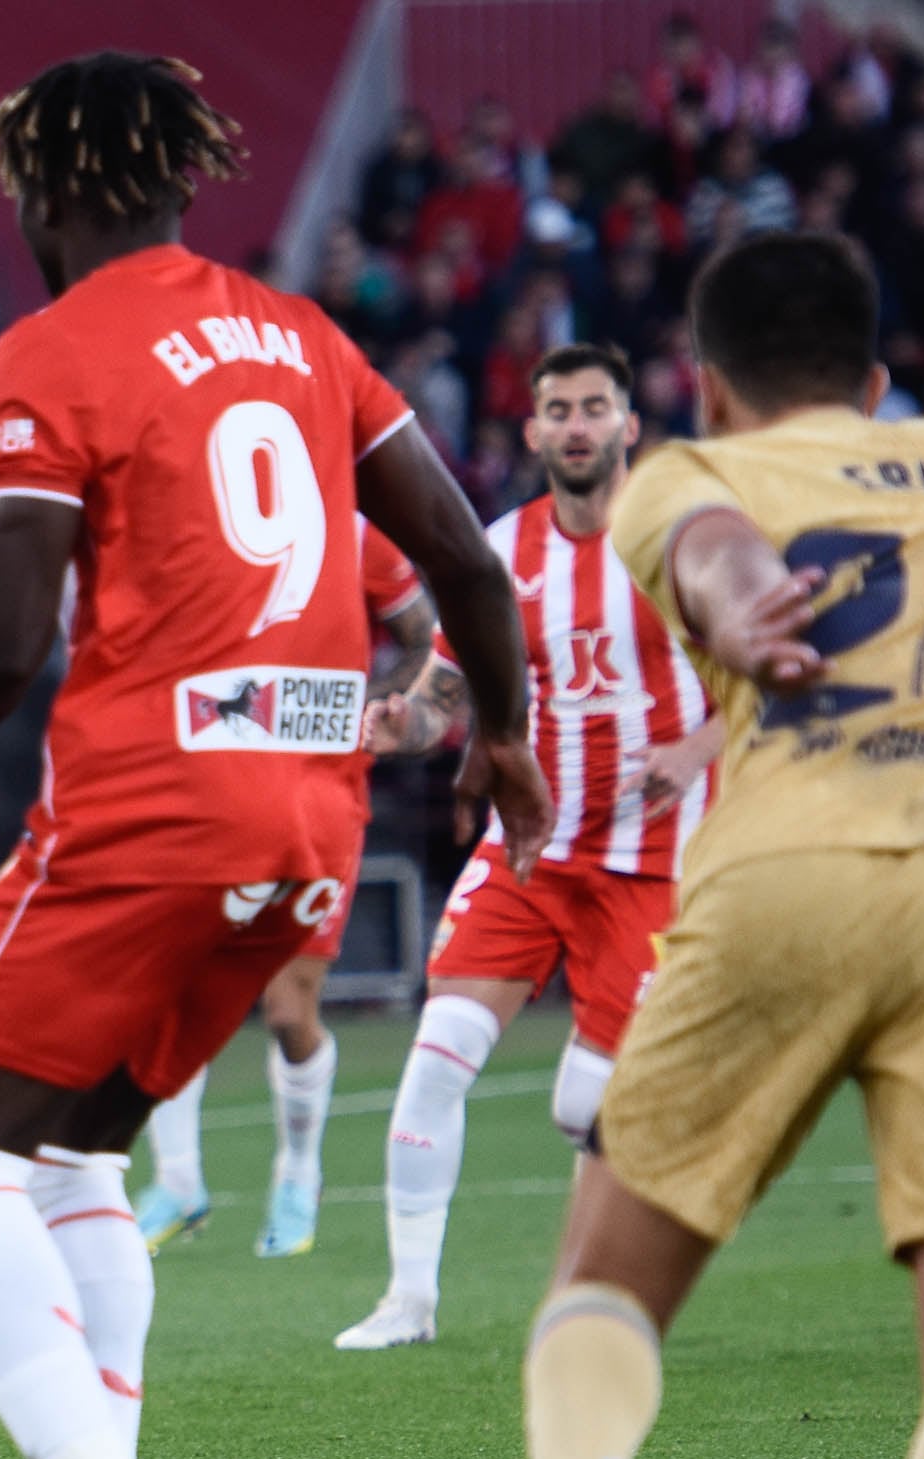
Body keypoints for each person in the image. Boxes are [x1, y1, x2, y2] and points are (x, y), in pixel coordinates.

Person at [0, 52, 546, 1459]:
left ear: (48, 189)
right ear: (177, 180)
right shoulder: (301, 337)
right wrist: (504, 734)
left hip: (149, 809)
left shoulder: (51, 347)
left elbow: (1, 647)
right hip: (308, 824)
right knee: (76, 1151)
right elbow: (462, 557)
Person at [424, 234, 924, 1459]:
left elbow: (711, 551)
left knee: (603, 1279)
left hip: (779, 875)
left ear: (703, 387)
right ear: (875, 374)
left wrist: (739, 610)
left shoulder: (682, 477)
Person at [338, 343, 712, 1349]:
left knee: (586, 1108)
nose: (577, 426)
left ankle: (621, 1273)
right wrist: (404, 725)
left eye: (595, 408)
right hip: (529, 853)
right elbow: (445, 692)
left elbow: (768, 682)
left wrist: (695, 749)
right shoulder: (499, 552)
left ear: (630, 425)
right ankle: (408, 1302)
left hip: (653, 865)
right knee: (435, 1060)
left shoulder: (684, 542)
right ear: (534, 430)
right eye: (559, 410)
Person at [135, 516, 436, 1255]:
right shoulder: (210, 519)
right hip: (214, 791)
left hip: (319, 798)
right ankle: (177, 1181)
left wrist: (374, 704)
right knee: (171, 989)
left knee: (286, 1008)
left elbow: (423, 641)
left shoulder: (357, 535)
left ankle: (299, 1173)